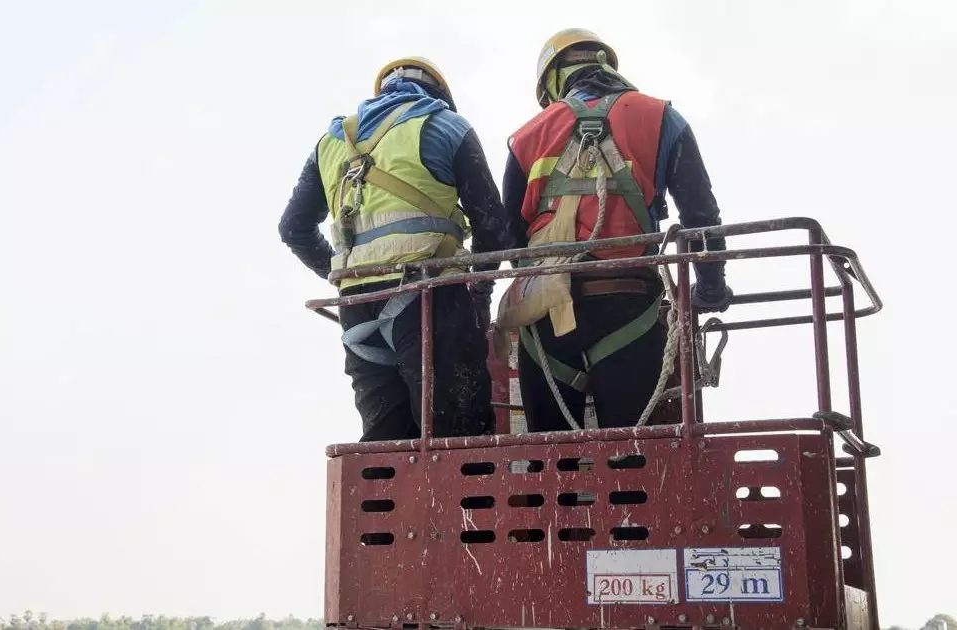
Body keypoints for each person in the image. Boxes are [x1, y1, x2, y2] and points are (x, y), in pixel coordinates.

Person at [497, 29, 733, 432]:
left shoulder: (527, 136)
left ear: (553, 81)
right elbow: (700, 213)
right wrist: (711, 288)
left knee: (550, 471)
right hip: (630, 310)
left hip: (549, 320)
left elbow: (510, 240)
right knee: (631, 464)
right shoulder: (662, 118)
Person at [279, 57, 516, 441]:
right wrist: (479, 293)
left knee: (384, 441)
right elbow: (493, 226)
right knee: (458, 435)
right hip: (431, 297)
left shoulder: (332, 142)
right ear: (439, 93)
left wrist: (343, 275)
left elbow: (293, 228)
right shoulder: (445, 125)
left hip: (359, 312)